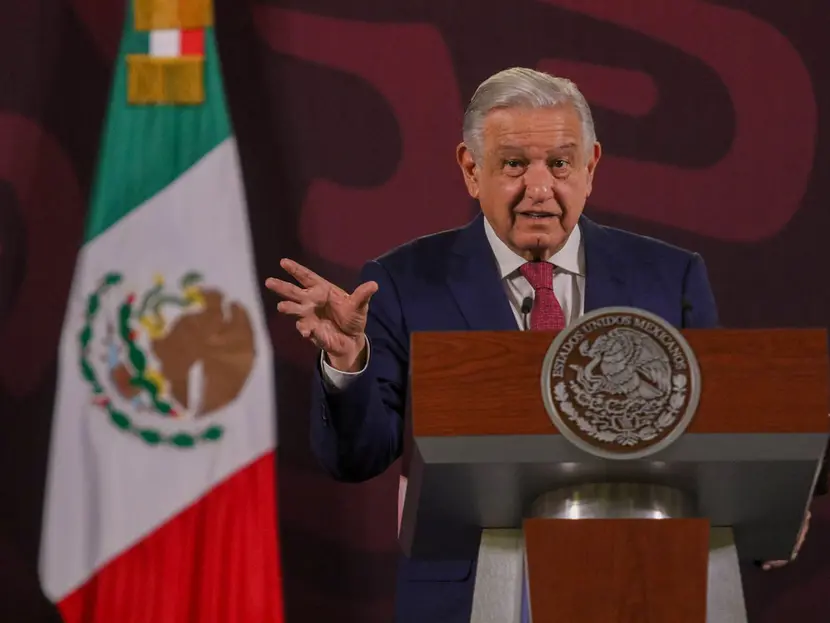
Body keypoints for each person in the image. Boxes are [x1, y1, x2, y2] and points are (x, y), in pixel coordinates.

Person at [266, 67, 813, 622]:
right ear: (471, 169)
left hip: (641, 585)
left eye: (559, 164)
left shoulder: (669, 278)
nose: (539, 188)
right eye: (513, 165)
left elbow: (713, 432)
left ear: (590, 167)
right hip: (471, 597)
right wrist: (348, 361)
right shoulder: (404, 282)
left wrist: (764, 510)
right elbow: (355, 458)